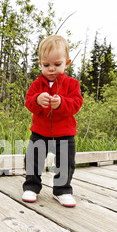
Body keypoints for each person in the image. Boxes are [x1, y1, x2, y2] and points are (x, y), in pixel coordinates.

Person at [22, 35, 83, 207]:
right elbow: (28, 102)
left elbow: (77, 104)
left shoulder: (72, 84)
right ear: (40, 64)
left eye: (57, 64)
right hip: (39, 132)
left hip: (65, 134)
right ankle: (31, 187)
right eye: (46, 65)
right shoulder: (36, 84)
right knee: (33, 159)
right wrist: (37, 101)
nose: (51, 69)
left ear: (67, 63)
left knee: (66, 163)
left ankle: (62, 190)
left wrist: (62, 103)